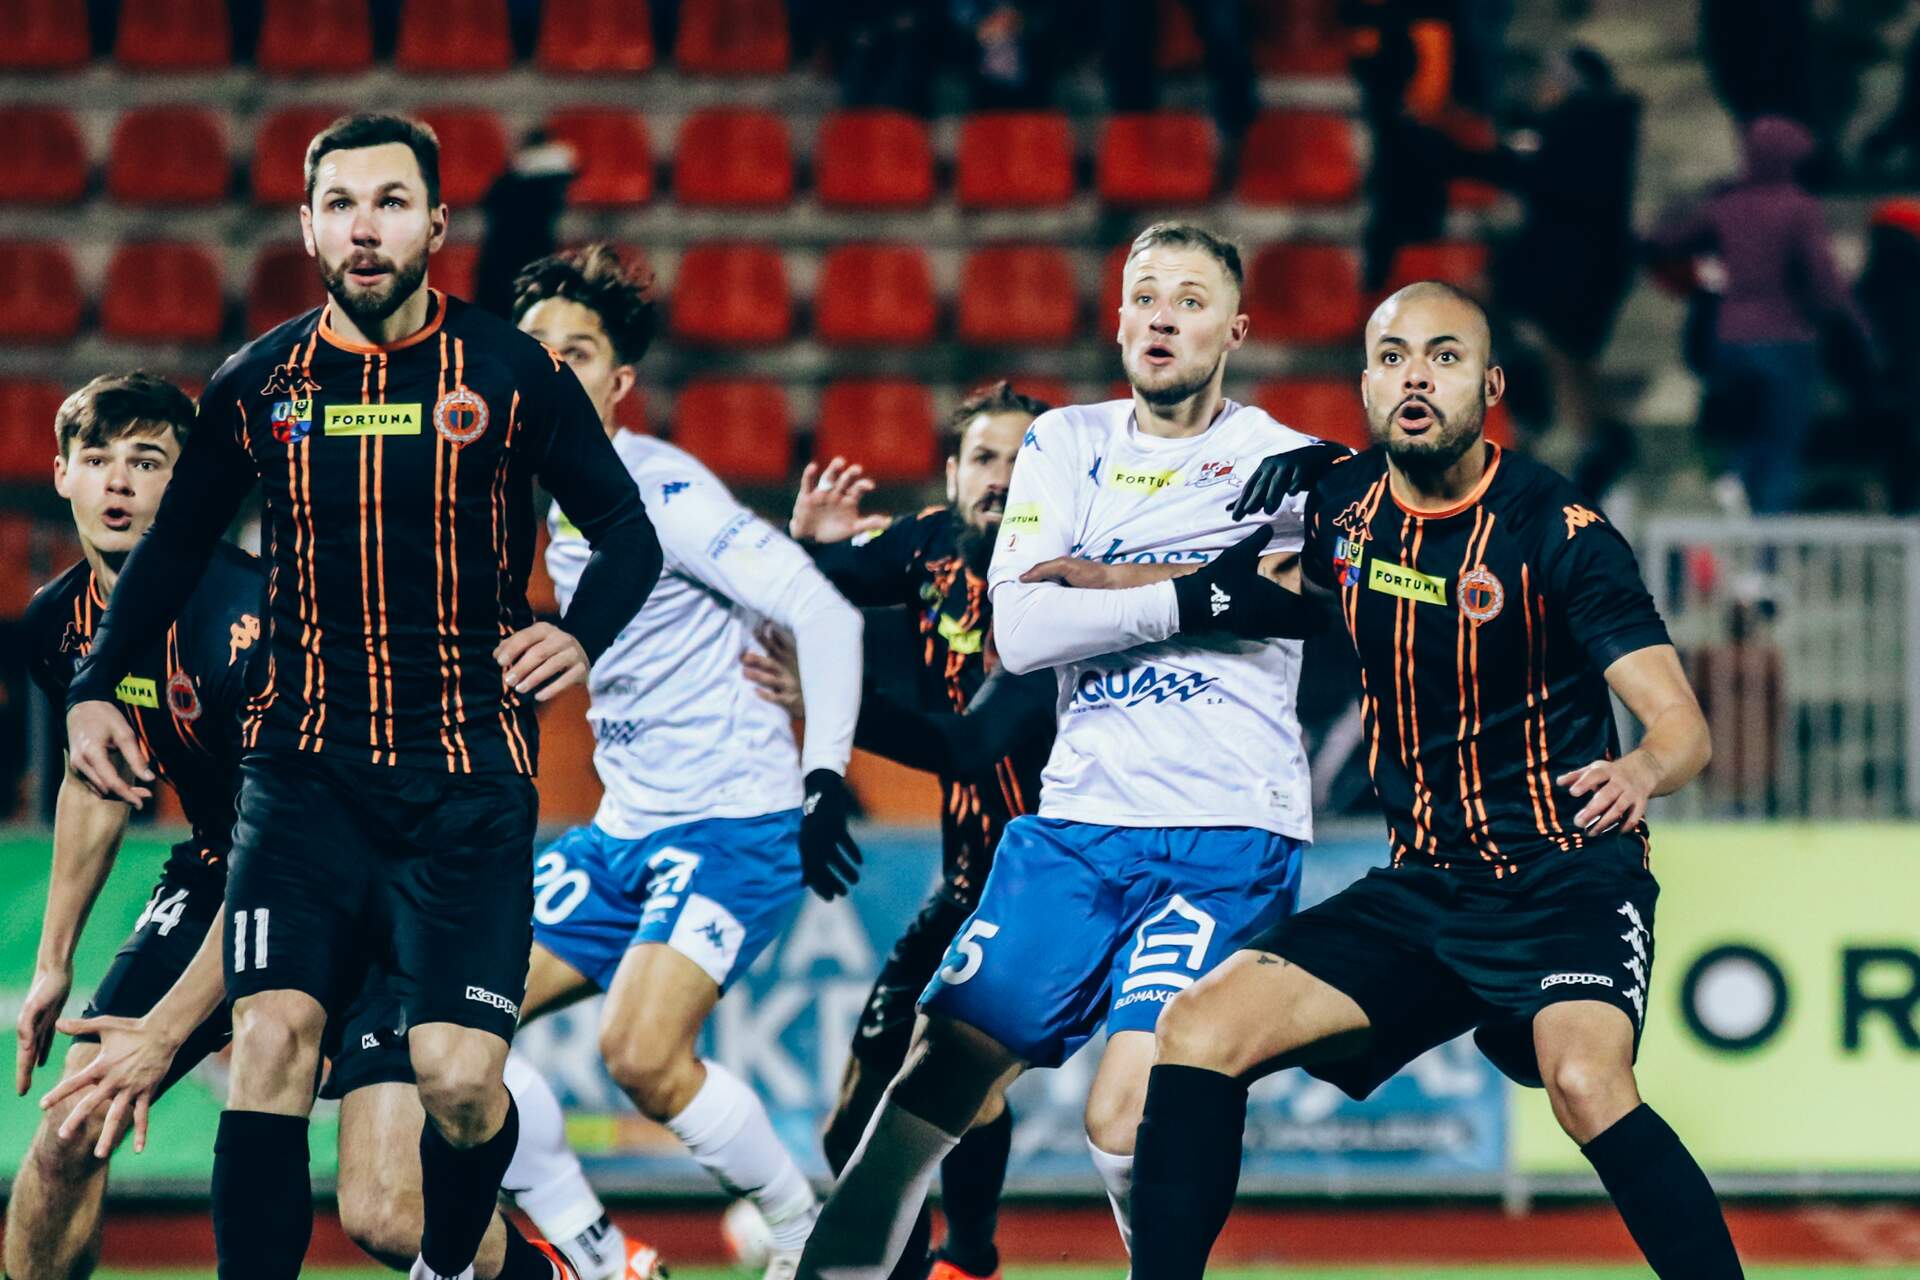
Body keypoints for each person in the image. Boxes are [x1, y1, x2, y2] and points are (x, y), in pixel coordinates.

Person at [58, 113, 662, 1280]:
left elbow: (627, 532)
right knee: (272, 1036)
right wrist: (95, 684)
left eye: (390, 202)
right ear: (308, 226)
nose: (364, 227)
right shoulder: (259, 383)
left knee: (461, 1082)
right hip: (303, 778)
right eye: (340, 204)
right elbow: (173, 552)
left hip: (466, 786)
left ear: (435, 223)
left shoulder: (511, 372)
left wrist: (579, 633)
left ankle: (456, 1264)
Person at [1120, 281, 1744, 1279]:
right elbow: (1246, 581)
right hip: (1424, 888)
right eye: (1394, 357)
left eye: (1444, 357)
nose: (1417, 376)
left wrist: (1640, 767)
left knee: (1585, 1082)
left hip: (1565, 878)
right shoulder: (1341, 508)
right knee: (1198, 1026)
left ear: (1489, 386)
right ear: (1368, 385)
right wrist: (1093, 588)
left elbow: (1684, 727)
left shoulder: (1561, 533)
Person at [792, 222, 1334, 1279]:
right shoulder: (1063, 442)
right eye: (1145, 296)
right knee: (931, 1075)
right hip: (1076, 828)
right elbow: (1027, 630)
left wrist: (1104, 581)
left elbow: (1295, 599)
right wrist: (1202, 595)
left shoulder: (1289, 463)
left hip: (1225, 830)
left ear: (1235, 329)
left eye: (1191, 299)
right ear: (1118, 319)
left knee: (1126, 1113)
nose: (1163, 316)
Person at [509, 245, 867, 1278]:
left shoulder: (661, 489)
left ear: (619, 382)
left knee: (640, 1052)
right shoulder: (538, 496)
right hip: (623, 830)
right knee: (440, 1022)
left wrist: (824, 779)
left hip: (731, 827)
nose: (551, 368)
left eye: (578, 352)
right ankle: (599, 1257)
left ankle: (800, 1235)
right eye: (534, 349)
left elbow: (823, 614)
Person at [744, 381, 1058, 1280]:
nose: (1002, 478)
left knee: (954, 1074)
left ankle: (966, 1260)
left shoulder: (1067, 583)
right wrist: (809, 545)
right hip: (966, 886)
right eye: (985, 458)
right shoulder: (927, 547)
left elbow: (970, 746)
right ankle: (939, 1264)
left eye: (1024, 461)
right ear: (952, 473)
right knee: (853, 1126)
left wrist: (831, 706)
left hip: (1062, 887)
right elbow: (794, 590)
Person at [8, 373, 262, 1280]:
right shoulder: (57, 621)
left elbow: (287, 846)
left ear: (185, 484)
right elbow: (98, 781)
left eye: (147, 461)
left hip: (338, 875)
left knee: (391, 1206)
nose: (117, 481)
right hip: (218, 865)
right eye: (97, 458)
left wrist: (165, 1030)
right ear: (62, 475)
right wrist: (53, 963)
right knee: (71, 1129)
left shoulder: (247, 619)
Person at [1648, 115, 1874, 514]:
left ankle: (1737, 497)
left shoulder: (1726, 205)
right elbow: (1824, 279)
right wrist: (1856, 323)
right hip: (1786, 334)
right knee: (1782, 441)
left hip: (1729, 334)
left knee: (1744, 430)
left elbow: (1667, 241)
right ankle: (1769, 537)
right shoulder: (1798, 208)